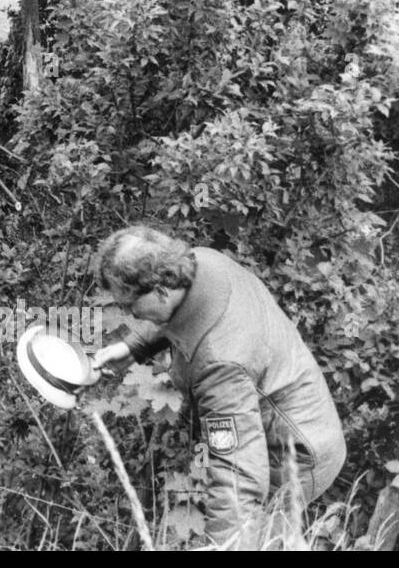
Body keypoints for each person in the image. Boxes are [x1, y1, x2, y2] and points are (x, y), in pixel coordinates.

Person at [91, 226, 347, 550]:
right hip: (300, 422)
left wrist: (223, 546)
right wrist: (133, 346)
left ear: (159, 290)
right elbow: (183, 314)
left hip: (298, 456)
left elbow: (238, 474)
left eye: (130, 305)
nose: (129, 313)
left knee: (255, 546)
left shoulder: (219, 364)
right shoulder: (199, 263)